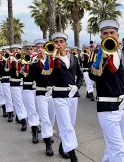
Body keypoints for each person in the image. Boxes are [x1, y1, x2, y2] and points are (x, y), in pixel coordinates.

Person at [89, 20, 124, 162]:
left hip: (123, 106)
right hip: (106, 106)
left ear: (117, 35)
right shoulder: (96, 54)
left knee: (112, 148)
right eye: (105, 33)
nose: (109, 35)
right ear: (101, 36)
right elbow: (92, 76)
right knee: (118, 150)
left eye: (112, 32)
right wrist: (100, 60)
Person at [51, 32, 83, 162]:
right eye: (56, 42)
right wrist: (50, 58)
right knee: (66, 125)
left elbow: (80, 75)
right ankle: (73, 156)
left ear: (66, 44)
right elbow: (47, 76)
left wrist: (77, 86)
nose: (59, 44)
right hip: (59, 95)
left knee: (71, 123)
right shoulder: (51, 59)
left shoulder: (74, 58)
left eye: (61, 42)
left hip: (72, 95)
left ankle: (62, 146)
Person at [9, 44, 28, 131]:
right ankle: (23, 120)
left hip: (24, 83)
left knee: (23, 102)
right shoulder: (9, 60)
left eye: (18, 49)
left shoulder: (25, 59)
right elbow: (6, 71)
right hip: (15, 83)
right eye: (14, 49)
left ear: (21, 50)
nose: (16, 50)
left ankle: (18, 115)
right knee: (18, 101)